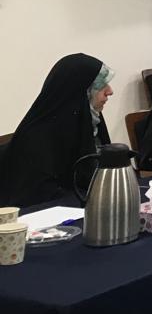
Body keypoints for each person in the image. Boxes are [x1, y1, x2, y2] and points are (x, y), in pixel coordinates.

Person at [0, 54, 114, 207]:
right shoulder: (36, 139)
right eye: (100, 86)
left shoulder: (89, 123)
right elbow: (40, 200)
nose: (110, 91)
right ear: (80, 93)